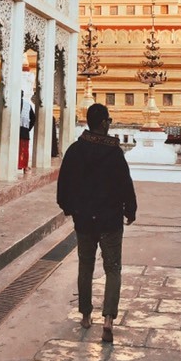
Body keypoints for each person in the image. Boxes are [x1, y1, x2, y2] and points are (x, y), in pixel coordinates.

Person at [57, 103, 137, 344]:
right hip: (110, 219)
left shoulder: (75, 150)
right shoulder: (114, 153)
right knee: (112, 269)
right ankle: (109, 320)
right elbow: (125, 183)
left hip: (84, 218)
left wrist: (68, 207)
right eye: (109, 120)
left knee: (85, 266)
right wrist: (130, 210)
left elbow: (64, 183)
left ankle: (85, 315)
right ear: (103, 123)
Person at [19, 91, 35, 172]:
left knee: (17, 149)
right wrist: (28, 128)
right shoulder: (27, 105)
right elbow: (33, 118)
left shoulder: (12, 103)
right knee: (24, 149)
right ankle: (24, 166)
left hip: (15, 130)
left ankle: (18, 164)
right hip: (24, 130)